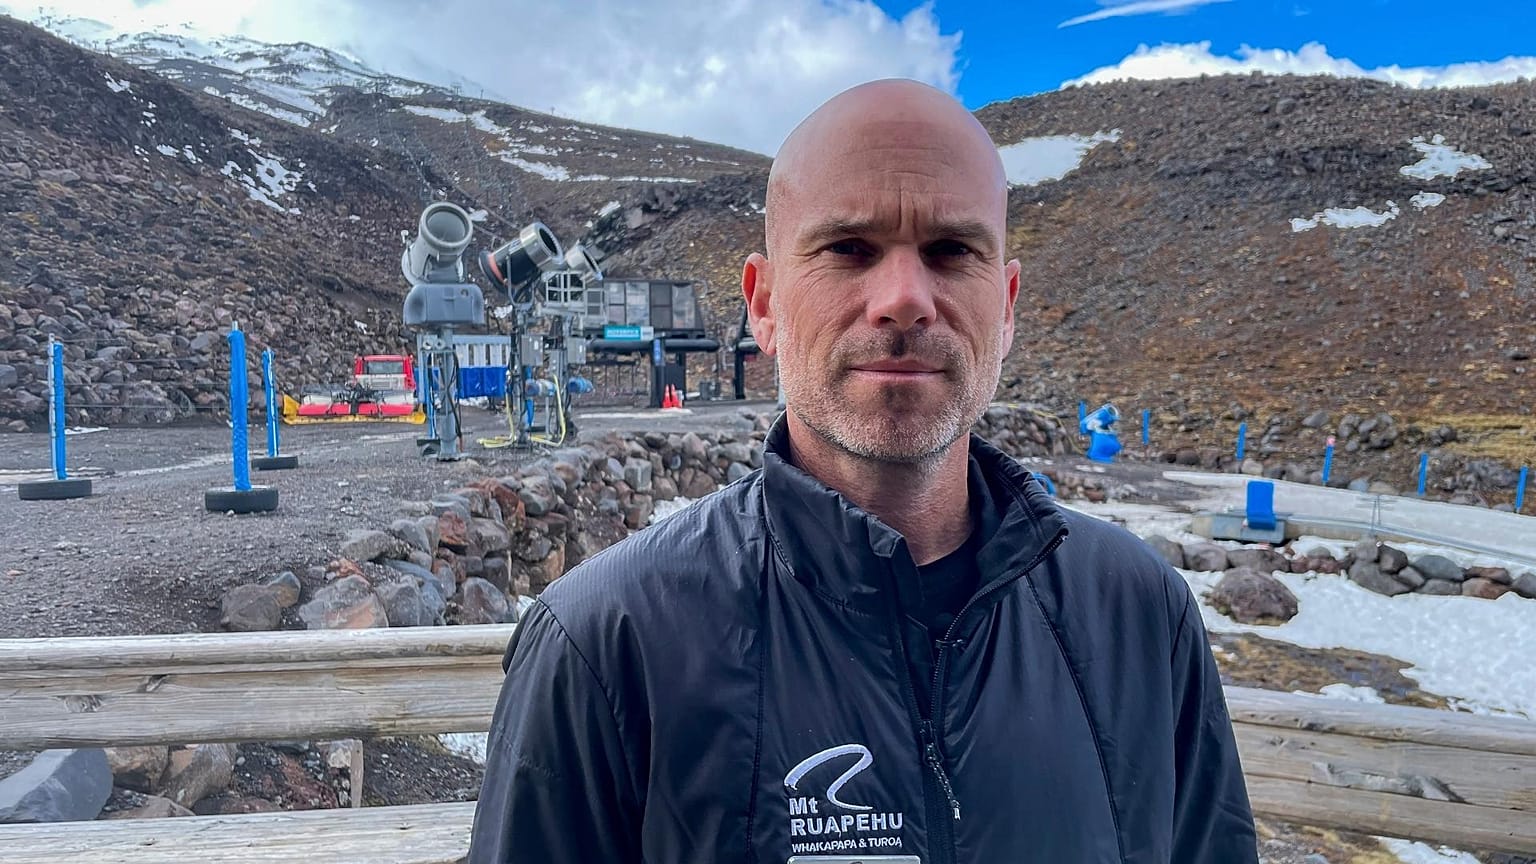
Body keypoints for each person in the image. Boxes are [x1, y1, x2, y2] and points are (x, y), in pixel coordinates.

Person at [468, 78, 1258, 863]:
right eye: (850, 249)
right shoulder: (606, 646)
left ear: (1007, 304)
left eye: (953, 251)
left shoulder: (1139, 613)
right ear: (765, 303)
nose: (906, 299)